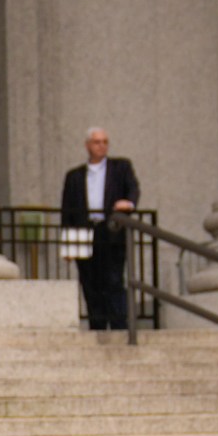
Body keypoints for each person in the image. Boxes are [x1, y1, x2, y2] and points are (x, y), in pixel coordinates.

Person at [59, 128, 139, 332]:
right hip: (85, 231)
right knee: (89, 282)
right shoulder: (74, 176)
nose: (101, 145)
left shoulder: (120, 167)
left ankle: (120, 327)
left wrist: (128, 203)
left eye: (105, 141)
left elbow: (133, 188)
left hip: (110, 231)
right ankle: (98, 326)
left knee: (113, 279)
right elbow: (67, 210)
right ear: (87, 145)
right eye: (96, 142)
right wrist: (68, 245)